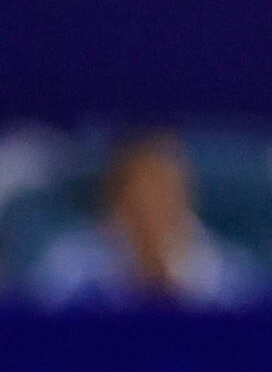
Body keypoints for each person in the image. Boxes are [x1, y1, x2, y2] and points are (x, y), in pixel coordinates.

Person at [32, 130, 256, 306]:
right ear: (115, 196)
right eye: (140, 187)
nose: (152, 201)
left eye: (164, 186)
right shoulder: (69, 266)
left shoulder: (230, 273)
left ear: (186, 193)